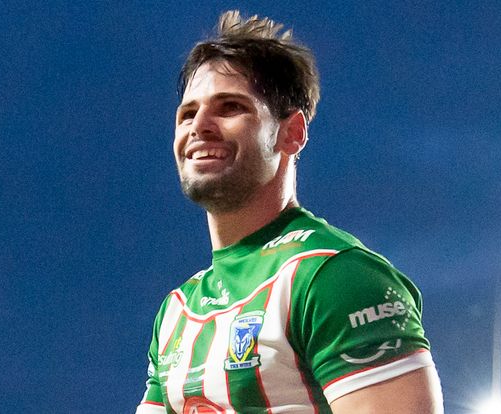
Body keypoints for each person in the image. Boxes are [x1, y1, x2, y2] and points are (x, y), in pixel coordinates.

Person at [137, 10, 443, 414]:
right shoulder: (178, 310)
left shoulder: (334, 276)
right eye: (187, 113)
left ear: (291, 132)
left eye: (230, 107)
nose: (200, 126)